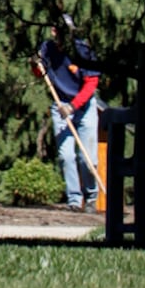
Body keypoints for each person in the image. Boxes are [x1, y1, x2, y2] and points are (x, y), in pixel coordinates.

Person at [33, 21, 101, 211]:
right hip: (60, 104)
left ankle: (91, 197)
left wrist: (73, 106)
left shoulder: (82, 50)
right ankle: (74, 200)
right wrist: (35, 64)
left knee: (86, 157)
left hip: (83, 106)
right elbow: (41, 72)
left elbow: (91, 83)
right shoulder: (47, 48)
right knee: (66, 155)